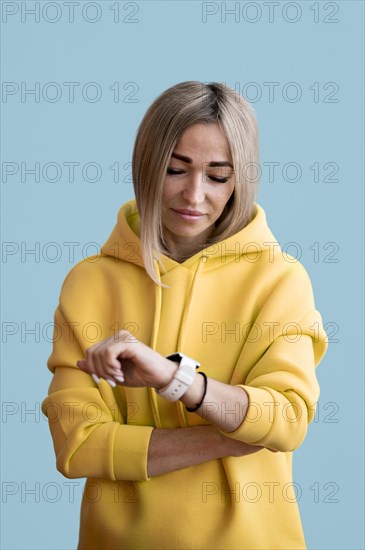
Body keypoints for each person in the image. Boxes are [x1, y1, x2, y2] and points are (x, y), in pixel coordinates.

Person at [41, 81, 328, 550]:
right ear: (146, 166)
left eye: (218, 175)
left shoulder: (280, 279)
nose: (194, 195)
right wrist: (228, 436)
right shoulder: (90, 282)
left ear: (242, 179)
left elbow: (288, 420)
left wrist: (173, 379)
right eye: (176, 169)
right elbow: (77, 446)